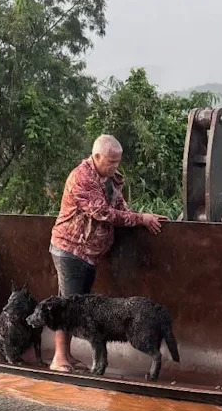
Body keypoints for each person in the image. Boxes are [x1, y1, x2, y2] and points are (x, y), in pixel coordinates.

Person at [47, 134, 167, 373]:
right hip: (70, 249)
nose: (115, 166)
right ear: (97, 156)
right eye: (111, 161)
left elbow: (120, 207)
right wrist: (140, 219)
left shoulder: (109, 179)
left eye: (118, 162)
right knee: (67, 306)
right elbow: (103, 213)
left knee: (76, 303)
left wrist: (141, 218)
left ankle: (67, 356)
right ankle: (58, 358)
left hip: (89, 253)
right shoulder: (81, 178)